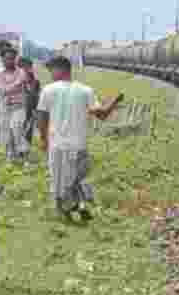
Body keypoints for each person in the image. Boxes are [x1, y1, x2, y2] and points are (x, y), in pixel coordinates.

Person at [36, 55, 123, 221]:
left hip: (58, 146)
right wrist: (115, 102)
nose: (50, 74)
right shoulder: (86, 90)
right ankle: (82, 204)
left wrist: (43, 139)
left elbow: (41, 117)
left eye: (51, 70)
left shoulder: (48, 90)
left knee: (60, 182)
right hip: (80, 145)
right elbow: (102, 115)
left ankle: (65, 213)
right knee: (79, 178)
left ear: (60, 69)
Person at [0, 48, 26, 163]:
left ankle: (22, 152)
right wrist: (15, 85)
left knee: (17, 128)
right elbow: (2, 90)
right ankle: (10, 156)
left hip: (19, 106)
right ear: (2, 59)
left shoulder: (21, 72)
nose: (10, 61)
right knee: (7, 132)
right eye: (7, 58)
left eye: (13, 58)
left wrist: (8, 88)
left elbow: (7, 88)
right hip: (5, 107)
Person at [18, 57, 42, 153]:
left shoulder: (30, 73)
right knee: (27, 123)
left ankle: (25, 144)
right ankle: (24, 143)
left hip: (31, 101)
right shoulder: (25, 73)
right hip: (29, 101)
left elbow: (34, 87)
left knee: (28, 123)